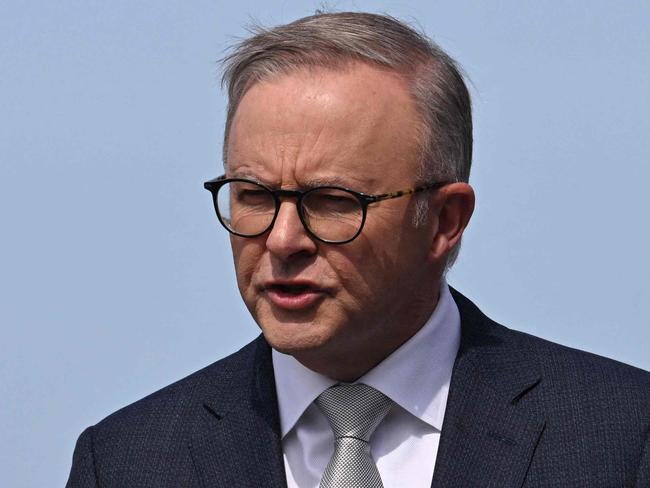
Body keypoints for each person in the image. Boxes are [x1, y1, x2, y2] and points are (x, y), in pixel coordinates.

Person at [66, 11, 649, 487]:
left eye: (333, 201)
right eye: (253, 195)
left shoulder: (622, 440)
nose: (282, 239)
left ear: (445, 220)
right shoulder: (125, 462)